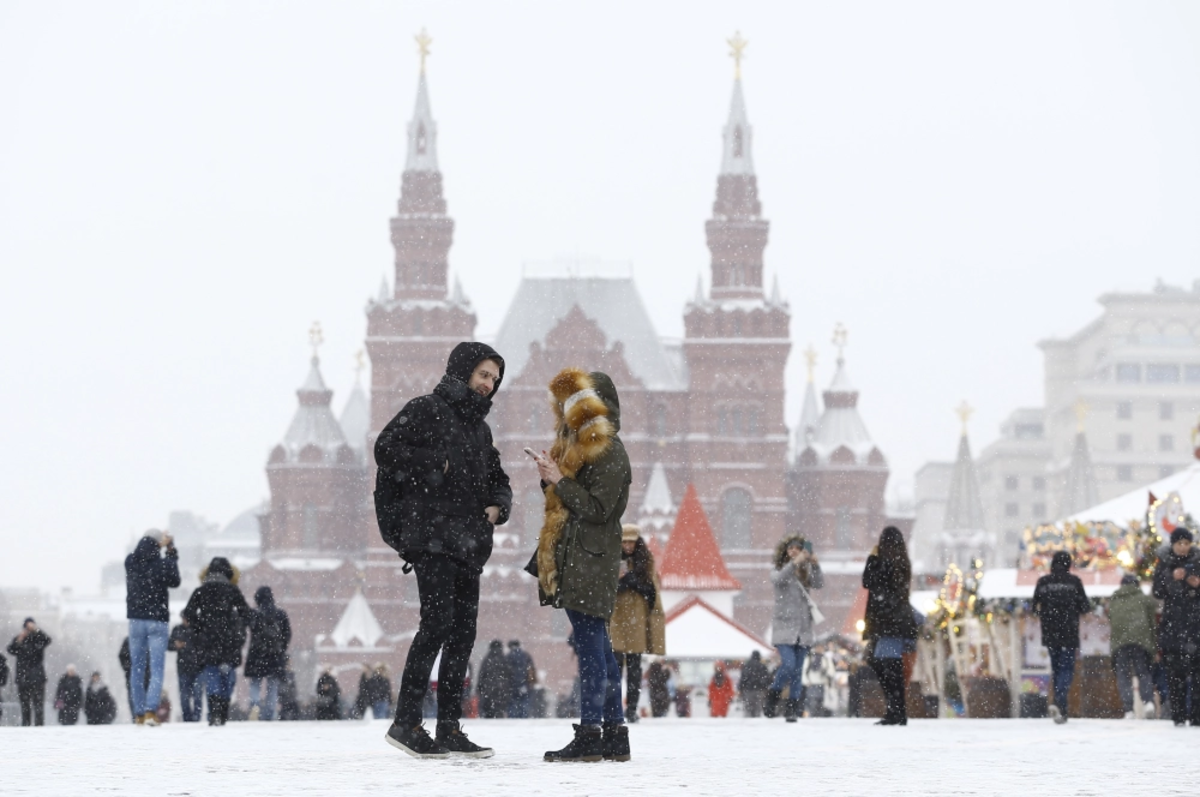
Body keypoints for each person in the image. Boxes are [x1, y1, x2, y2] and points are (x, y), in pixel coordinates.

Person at [375, 342, 511, 759]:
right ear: (464, 369)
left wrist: (498, 506)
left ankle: (449, 727)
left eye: (494, 378)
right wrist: (436, 464)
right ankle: (406, 722)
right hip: (431, 537)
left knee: (463, 634)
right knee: (436, 624)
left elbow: (497, 475)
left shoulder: (480, 428)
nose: (488, 384)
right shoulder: (425, 409)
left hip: (469, 541)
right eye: (483, 374)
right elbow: (385, 449)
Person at [529, 369, 632, 763]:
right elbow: (571, 500)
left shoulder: (609, 451)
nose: (571, 413)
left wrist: (559, 480)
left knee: (592, 651)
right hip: (576, 558)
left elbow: (599, 509)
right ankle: (613, 734)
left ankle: (592, 733)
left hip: (590, 560)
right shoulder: (582, 448)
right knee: (600, 650)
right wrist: (549, 477)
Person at [182, 556, 251, 726]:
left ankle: (214, 711)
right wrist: (238, 627)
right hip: (228, 641)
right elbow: (246, 613)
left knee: (212, 673)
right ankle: (223, 708)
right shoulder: (232, 591)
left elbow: (188, 613)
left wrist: (200, 627)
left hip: (207, 640)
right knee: (228, 676)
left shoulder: (200, 591)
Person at [608, 524, 666, 723]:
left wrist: (636, 582)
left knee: (634, 670)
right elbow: (603, 588)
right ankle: (614, 709)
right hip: (616, 618)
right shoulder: (611, 558)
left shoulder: (646, 561)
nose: (628, 546)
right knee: (615, 668)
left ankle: (631, 709)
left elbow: (652, 592)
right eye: (624, 542)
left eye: (631, 542)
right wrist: (620, 582)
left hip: (637, 620)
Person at [862, 527, 918, 726]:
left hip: (889, 622)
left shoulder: (888, 563)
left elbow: (868, 581)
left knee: (889, 667)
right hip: (890, 622)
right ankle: (895, 711)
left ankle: (896, 712)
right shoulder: (900, 562)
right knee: (883, 665)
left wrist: (872, 559)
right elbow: (870, 582)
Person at [124, 530, 181, 727]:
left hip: (136, 620)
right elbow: (175, 581)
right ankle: (150, 711)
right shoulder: (162, 564)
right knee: (156, 669)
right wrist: (170, 551)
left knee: (136, 669)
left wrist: (155, 545)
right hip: (157, 620)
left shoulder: (131, 561)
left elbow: (139, 556)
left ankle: (138, 713)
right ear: (160, 544)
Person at [767, 535, 824, 722]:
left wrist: (814, 565)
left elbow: (819, 584)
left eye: (797, 548)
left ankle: (792, 709)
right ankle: (774, 694)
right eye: (789, 548)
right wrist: (794, 563)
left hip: (803, 628)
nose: (792, 551)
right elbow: (778, 580)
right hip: (784, 627)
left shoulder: (805, 570)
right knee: (788, 665)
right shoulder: (778, 569)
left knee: (798, 671)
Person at [1032, 550, 1092, 724]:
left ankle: (1061, 708)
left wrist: (1046, 612)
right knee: (1067, 669)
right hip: (1069, 632)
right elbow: (1085, 607)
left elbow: (1034, 607)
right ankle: (1059, 702)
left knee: (1057, 668)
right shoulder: (1074, 582)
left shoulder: (1043, 582)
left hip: (1050, 632)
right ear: (1069, 564)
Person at [1153, 528, 1200, 726]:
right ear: (1172, 544)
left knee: (1197, 676)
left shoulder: (1198, 561)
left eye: (1186, 543)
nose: (1183, 547)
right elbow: (1157, 591)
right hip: (1173, 628)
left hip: (1196, 627)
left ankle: (1197, 717)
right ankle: (1178, 716)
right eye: (1179, 543)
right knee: (1175, 675)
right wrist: (1171, 578)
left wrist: (1196, 584)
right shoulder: (1164, 563)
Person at [1108, 573, 1158, 719]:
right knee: (1143, 673)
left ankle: (1128, 710)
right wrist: (1153, 647)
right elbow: (1152, 624)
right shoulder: (1144, 599)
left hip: (1120, 642)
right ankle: (1148, 702)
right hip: (1141, 641)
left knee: (1123, 676)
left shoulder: (1114, 599)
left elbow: (1111, 619)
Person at [244, 585, 291, 722]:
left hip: (256, 654)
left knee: (255, 683)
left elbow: (246, 627)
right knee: (272, 686)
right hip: (275, 655)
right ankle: (269, 713)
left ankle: (255, 705)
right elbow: (287, 634)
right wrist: (281, 648)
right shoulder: (281, 614)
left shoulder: (254, 614)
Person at [7, 617, 51, 726]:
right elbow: (10, 649)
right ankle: (26, 726)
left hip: (37, 677)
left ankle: (39, 726)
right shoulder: (20, 640)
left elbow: (47, 640)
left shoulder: (38, 639)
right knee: (25, 705)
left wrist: (36, 630)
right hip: (23, 678)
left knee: (38, 706)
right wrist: (19, 640)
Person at [169, 618, 204, 722]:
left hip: (198, 668)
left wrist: (186, 645)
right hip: (184, 668)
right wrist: (176, 645)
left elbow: (204, 644)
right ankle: (187, 718)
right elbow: (169, 645)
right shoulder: (178, 629)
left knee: (197, 694)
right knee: (184, 696)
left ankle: (196, 717)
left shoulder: (199, 629)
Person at [477, 639, 510, 719]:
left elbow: (482, 673)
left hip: (488, 686)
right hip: (502, 687)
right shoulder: (504, 658)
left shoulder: (487, 658)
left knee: (488, 706)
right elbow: (509, 673)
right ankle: (498, 717)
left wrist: (479, 687)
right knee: (499, 706)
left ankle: (489, 718)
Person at [802, 644, 838, 718]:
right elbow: (804, 670)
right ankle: (813, 717)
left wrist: (826, 673)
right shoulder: (809, 658)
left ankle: (819, 717)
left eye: (821, 647)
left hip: (823, 684)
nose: (819, 649)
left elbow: (831, 671)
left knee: (822, 703)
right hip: (812, 683)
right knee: (812, 702)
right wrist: (806, 681)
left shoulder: (826, 659)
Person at [506, 640, 536, 718]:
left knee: (512, 705)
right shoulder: (526, 656)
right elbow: (531, 671)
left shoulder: (508, 656)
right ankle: (523, 721)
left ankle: (513, 722)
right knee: (524, 705)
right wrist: (531, 683)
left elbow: (505, 673)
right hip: (525, 685)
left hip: (512, 686)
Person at [739, 650, 771, 717]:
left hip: (748, 690)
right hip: (759, 690)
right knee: (758, 707)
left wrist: (741, 688)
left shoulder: (746, 665)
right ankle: (756, 721)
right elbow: (767, 678)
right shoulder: (762, 666)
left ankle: (748, 721)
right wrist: (765, 687)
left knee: (748, 707)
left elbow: (743, 678)